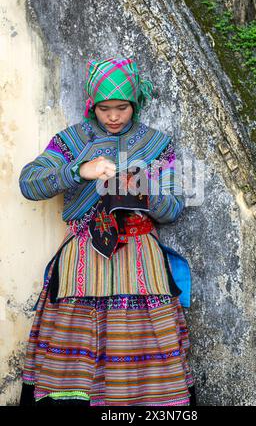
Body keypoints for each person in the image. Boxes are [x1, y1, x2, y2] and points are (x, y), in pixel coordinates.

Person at [18, 57, 196, 407]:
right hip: (82, 258)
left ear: (136, 104)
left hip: (140, 261)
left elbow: (174, 208)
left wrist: (143, 187)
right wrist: (79, 170)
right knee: (75, 348)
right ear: (91, 106)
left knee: (144, 342)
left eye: (122, 108)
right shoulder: (71, 140)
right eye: (104, 109)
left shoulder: (159, 145)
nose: (113, 117)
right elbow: (28, 182)